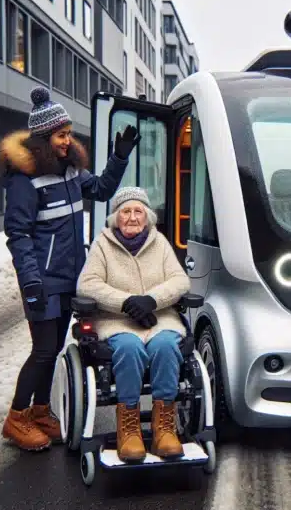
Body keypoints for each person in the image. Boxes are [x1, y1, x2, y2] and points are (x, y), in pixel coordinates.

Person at [0, 86, 140, 451]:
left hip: (69, 279)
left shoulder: (71, 171)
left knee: (57, 346)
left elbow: (104, 189)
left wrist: (119, 157)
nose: (67, 141)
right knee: (43, 350)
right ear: (45, 138)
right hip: (42, 281)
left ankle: (41, 411)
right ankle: (17, 418)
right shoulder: (24, 178)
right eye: (61, 135)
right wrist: (30, 280)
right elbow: (18, 234)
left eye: (69, 134)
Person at [76, 187, 191, 462]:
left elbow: (180, 280)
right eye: (125, 211)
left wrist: (151, 300)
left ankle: (164, 427)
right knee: (129, 348)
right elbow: (87, 284)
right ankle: (128, 429)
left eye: (137, 211)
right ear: (116, 217)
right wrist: (127, 302)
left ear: (147, 216)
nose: (132, 217)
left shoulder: (159, 242)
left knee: (165, 346)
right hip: (117, 321)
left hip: (159, 317)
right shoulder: (102, 244)